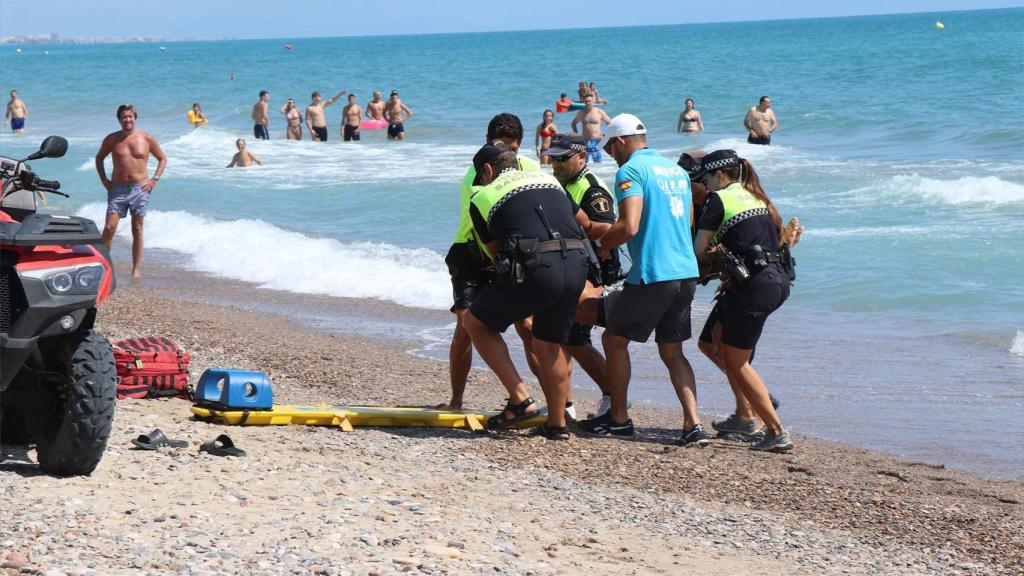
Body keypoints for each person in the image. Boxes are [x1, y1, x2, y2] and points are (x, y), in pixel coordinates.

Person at [575, 114, 709, 446]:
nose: (609, 154)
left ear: (621, 141)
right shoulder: (676, 172)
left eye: (610, 147)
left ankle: (619, 419)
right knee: (672, 350)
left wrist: (602, 245)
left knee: (614, 340)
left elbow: (629, 225)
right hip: (685, 270)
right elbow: (688, 222)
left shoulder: (631, 171)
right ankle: (693, 425)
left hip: (653, 273)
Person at [463, 143, 591, 440]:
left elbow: (495, 252)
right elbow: (585, 223)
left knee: (476, 323)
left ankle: (521, 399)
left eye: (481, 176)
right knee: (549, 345)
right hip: (577, 263)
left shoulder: (481, 195)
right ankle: (557, 425)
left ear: (488, 170)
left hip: (538, 267)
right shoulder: (549, 180)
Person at [692, 149, 795, 452]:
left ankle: (776, 431)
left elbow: (698, 250)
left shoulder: (718, 199)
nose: (704, 185)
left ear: (719, 175)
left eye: (706, 179)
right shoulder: (756, 196)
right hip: (776, 280)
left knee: (736, 363)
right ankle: (746, 413)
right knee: (714, 341)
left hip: (754, 286)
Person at [444, 113, 546, 412]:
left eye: (511, 149)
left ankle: (559, 403)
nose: (505, 155)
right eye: (499, 146)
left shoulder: (531, 167)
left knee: (527, 326)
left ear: (519, 146)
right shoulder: (477, 173)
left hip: (509, 250)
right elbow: (484, 228)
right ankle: (456, 401)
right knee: (466, 325)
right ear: (487, 142)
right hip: (471, 249)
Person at [546, 134, 619, 417]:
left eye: (563, 158)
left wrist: (575, 227)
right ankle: (565, 405)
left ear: (581, 157)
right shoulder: (562, 183)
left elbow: (607, 228)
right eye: (553, 158)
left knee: (575, 338)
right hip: (569, 266)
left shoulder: (591, 187)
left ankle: (614, 396)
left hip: (591, 270)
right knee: (561, 337)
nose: (556, 163)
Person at [95, 104, 167, 279]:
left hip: (140, 189)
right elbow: (99, 158)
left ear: (135, 118)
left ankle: (136, 270)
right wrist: (104, 180)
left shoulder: (147, 138)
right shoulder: (112, 139)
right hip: (117, 189)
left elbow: (162, 159)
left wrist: (154, 180)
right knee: (109, 227)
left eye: (130, 116)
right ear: (119, 119)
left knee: (137, 229)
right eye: (124, 117)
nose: (127, 120)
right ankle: (103, 266)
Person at [570, 95, 612, 163]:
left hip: (597, 141)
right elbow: (573, 123)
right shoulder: (581, 112)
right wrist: (576, 135)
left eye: (589, 101)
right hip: (585, 141)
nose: (588, 103)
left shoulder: (599, 112)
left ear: (593, 101)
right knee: (583, 162)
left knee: (598, 163)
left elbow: (610, 123)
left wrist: (606, 135)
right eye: (586, 101)